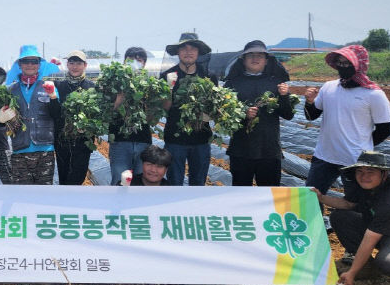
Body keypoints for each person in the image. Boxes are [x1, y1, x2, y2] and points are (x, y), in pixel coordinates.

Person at [313, 151, 390, 285]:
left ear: (384, 174)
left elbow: (369, 240)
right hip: (381, 230)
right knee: (340, 216)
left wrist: (351, 273)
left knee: (389, 263)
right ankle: (368, 267)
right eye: (360, 171)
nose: (364, 176)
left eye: (371, 171)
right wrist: (321, 198)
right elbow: (347, 204)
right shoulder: (364, 188)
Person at [304, 45, 390, 196]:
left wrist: (362, 145)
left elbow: (384, 130)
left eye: (347, 63)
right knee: (311, 198)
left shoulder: (374, 94)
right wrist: (309, 102)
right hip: (324, 156)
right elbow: (311, 116)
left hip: (355, 161)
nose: (342, 67)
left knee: (356, 203)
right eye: (340, 62)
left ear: (358, 65)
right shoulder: (328, 87)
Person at [223, 40, 294, 186]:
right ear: (243, 60)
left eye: (260, 55)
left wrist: (284, 96)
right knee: (241, 193)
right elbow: (223, 116)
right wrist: (243, 114)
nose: (255, 59)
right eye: (251, 55)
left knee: (269, 193)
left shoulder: (276, 83)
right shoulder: (232, 84)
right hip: (241, 149)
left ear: (266, 60)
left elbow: (288, 115)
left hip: (268, 149)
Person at [160, 33, 218, 186]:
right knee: (174, 182)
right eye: (184, 48)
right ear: (178, 52)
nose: (188, 51)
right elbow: (165, 109)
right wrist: (168, 89)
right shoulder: (166, 76)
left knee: (198, 184)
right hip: (175, 139)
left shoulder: (208, 77)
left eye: (193, 48)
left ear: (198, 52)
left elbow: (214, 109)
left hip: (201, 139)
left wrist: (204, 115)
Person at [6, 45, 61, 184]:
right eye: (26, 61)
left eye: (34, 61)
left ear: (39, 64)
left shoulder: (49, 87)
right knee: (21, 195)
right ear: (19, 64)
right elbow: (3, 122)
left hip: (45, 149)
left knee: (43, 195)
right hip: (20, 149)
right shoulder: (10, 90)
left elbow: (57, 115)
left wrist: (53, 96)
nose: (30, 65)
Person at [108, 46, 152, 185]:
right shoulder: (113, 82)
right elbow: (107, 113)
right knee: (119, 180)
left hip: (143, 140)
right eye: (131, 60)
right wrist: (120, 97)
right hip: (119, 141)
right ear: (124, 62)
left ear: (144, 63)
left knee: (142, 182)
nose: (135, 63)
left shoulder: (150, 85)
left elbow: (152, 118)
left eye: (139, 60)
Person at [54, 50, 95, 185]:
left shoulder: (92, 88)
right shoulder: (59, 86)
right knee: (63, 177)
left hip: (83, 142)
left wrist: (88, 125)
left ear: (85, 65)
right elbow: (53, 113)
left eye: (78, 63)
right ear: (67, 65)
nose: (75, 66)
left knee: (78, 177)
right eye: (72, 63)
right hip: (62, 141)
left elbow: (98, 115)